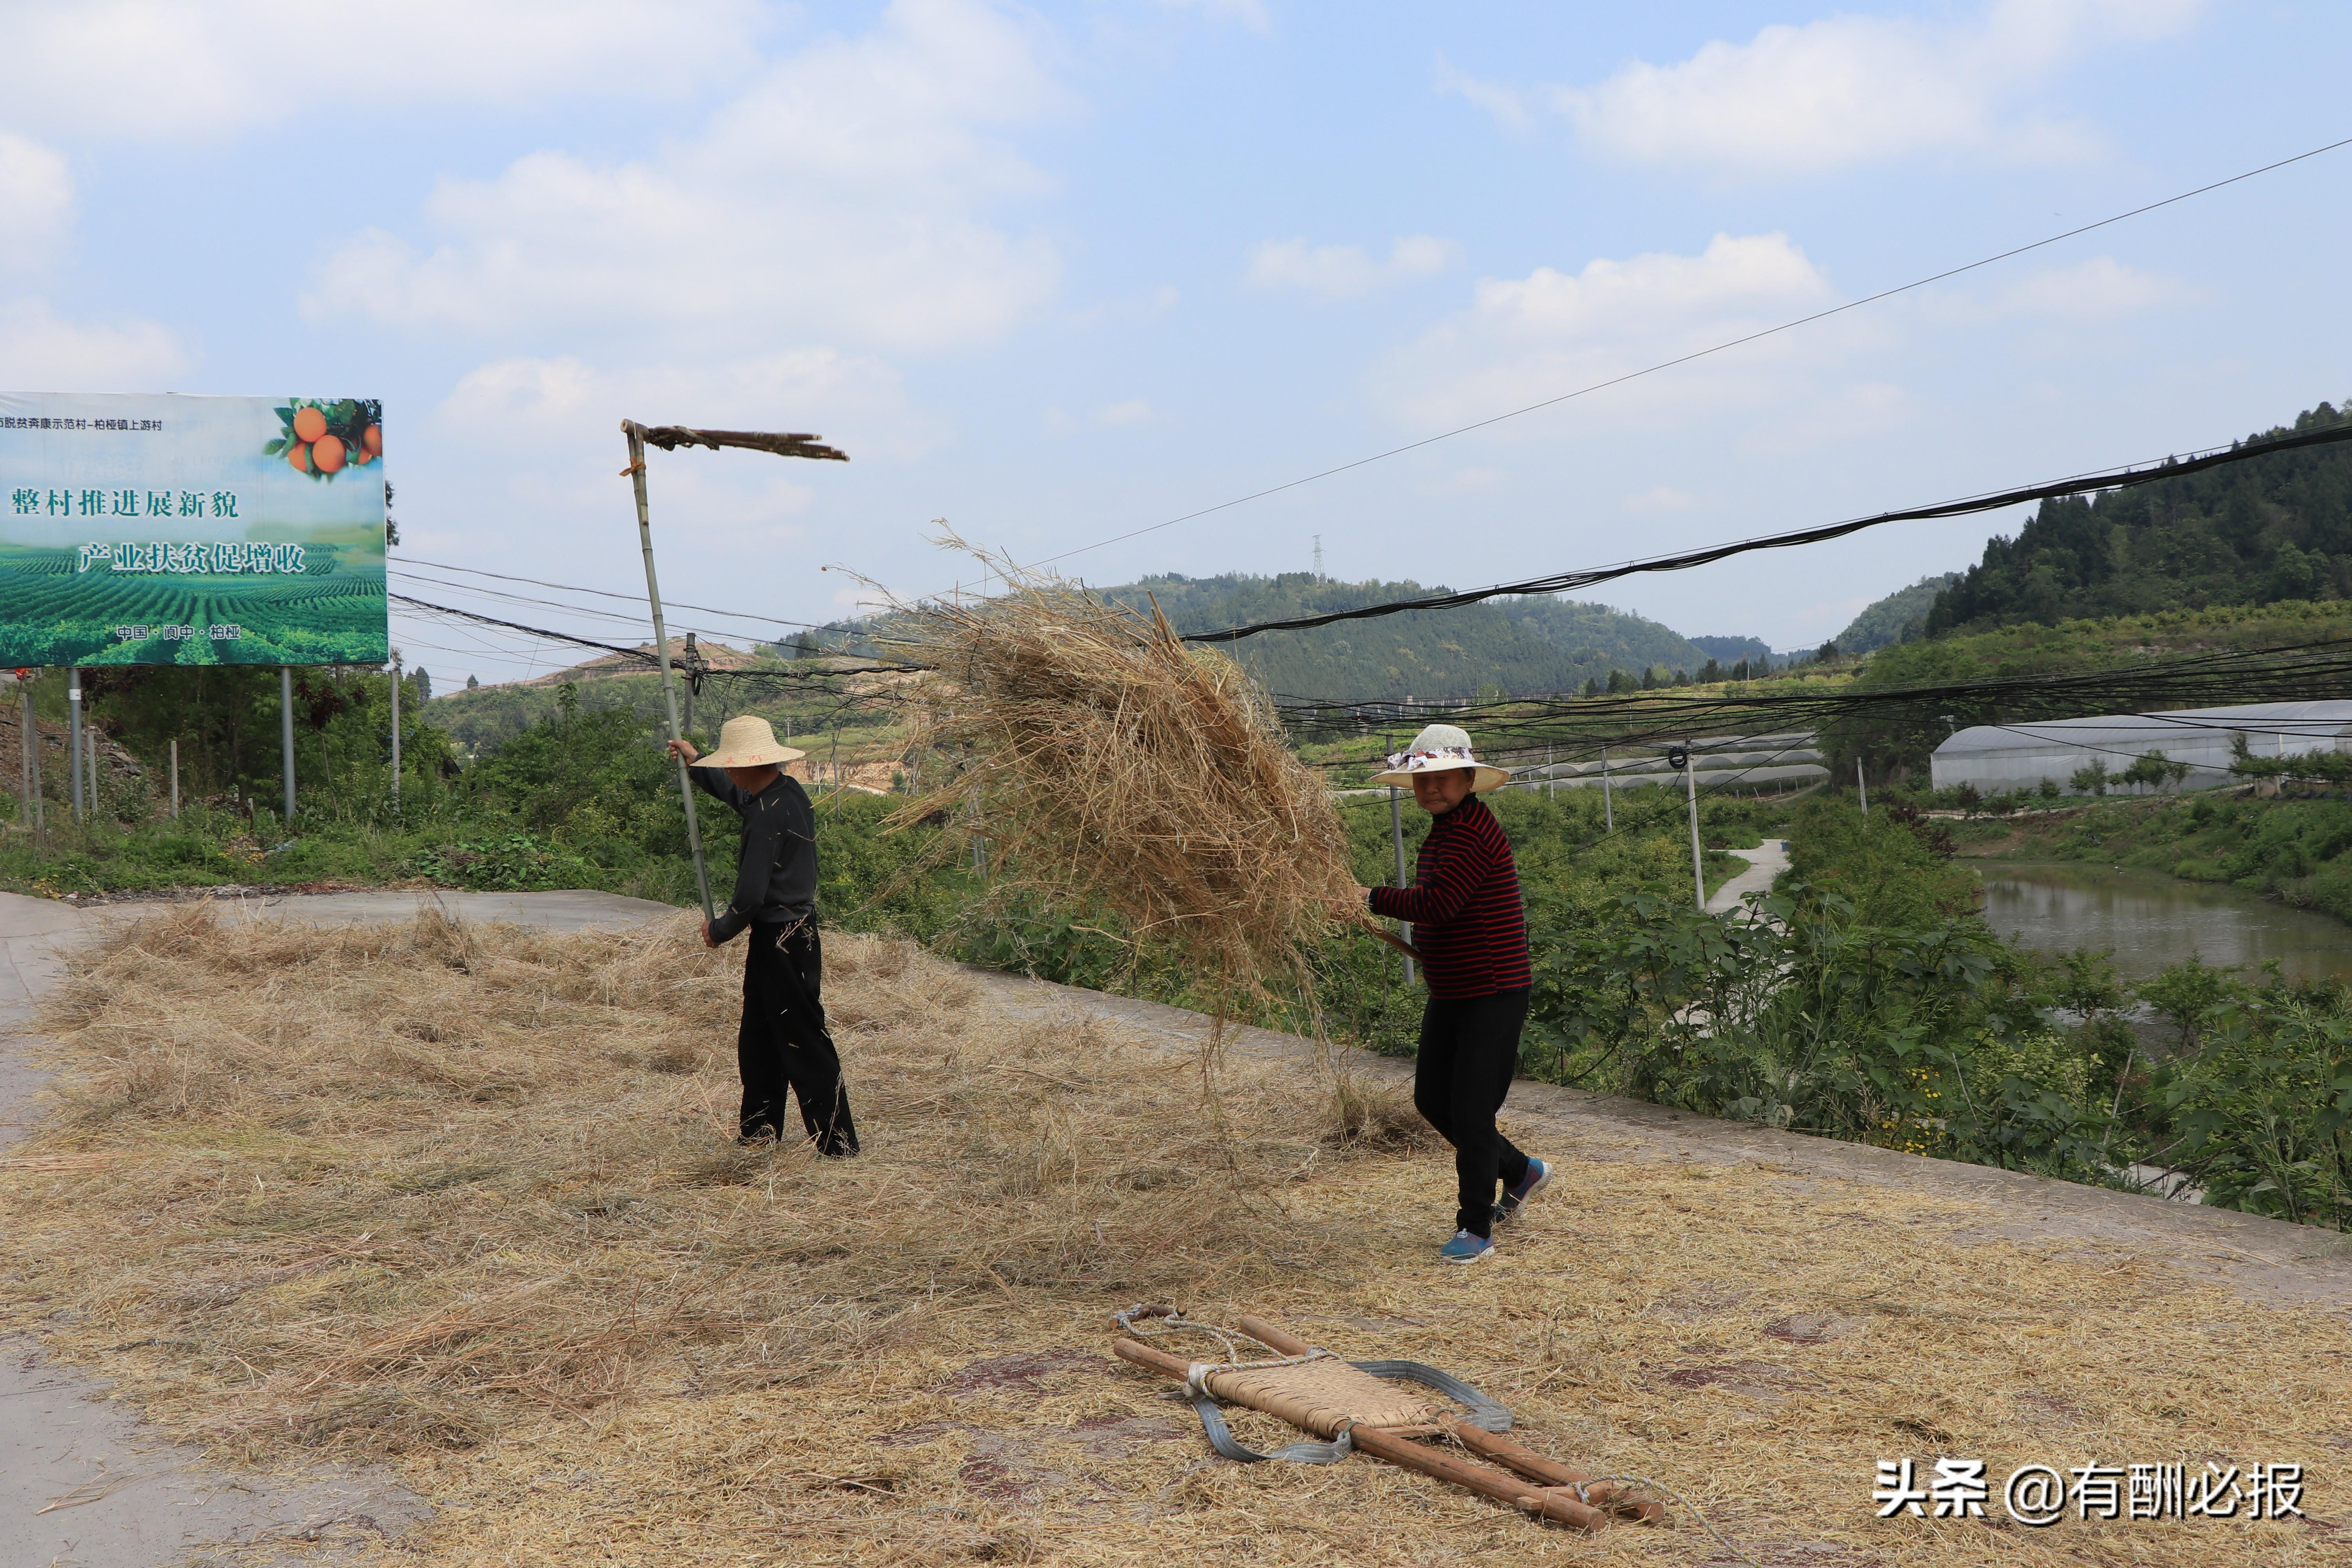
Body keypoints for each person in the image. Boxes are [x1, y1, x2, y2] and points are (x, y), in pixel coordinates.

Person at [1332, 724, 1546, 1263]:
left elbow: (1439, 904)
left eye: (1442, 778)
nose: (1431, 789)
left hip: (1493, 990)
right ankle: (1521, 1170)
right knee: (1432, 1100)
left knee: (1472, 1113)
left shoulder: (1472, 831)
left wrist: (1367, 896)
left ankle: (1476, 1228)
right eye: (1421, 779)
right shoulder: (1446, 829)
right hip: (1454, 988)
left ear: (1469, 778)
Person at [668, 715, 858, 1156]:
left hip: (782, 940)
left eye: (729, 764)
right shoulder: (783, 793)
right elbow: (738, 794)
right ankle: (758, 1133)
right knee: (760, 1039)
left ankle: (839, 1144)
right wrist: (697, 764)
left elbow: (750, 896)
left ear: (744, 765)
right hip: (789, 937)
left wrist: (719, 930)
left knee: (803, 1041)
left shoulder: (766, 817)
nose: (729, 771)